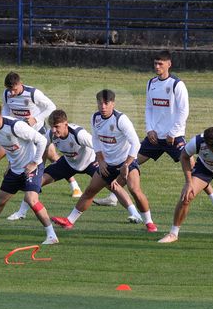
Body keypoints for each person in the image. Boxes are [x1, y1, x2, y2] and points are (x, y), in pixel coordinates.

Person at [7, 109, 142, 223]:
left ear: (66, 124)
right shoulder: (50, 134)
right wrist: (38, 167)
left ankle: (135, 214)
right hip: (68, 163)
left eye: (57, 127)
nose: (54, 130)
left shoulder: (79, 134)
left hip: (90, 162)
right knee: (37, 182)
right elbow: (42, 148)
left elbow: (98, 145)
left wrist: (102, 162)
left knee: (113, 186)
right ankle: (21, 212)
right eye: (52, 126)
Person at [51, 89, 157, 233]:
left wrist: (126, 164)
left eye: (106, 103)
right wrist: (100, 160)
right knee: (90, 191)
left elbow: (136, 143)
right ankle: (69, 221)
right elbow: (95, 139)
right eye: (100, 103)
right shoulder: (95, 118)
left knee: (135, 190)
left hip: (127, 162)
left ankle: (149, 223)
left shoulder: (121, 119)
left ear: (113, 103)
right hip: (108, 164)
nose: (103, 107)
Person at [138, 51, 213, 212]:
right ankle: (115, 195)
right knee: (131, 163)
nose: (157, 66)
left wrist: (173, 132)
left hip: (173, 138)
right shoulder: (151, 83)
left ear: (169, 64)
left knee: (193, 169)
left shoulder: (177, 84)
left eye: (160, 64)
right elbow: (148, 108)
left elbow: (183, 111)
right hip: (155, 138)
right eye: (155, 63)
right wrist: (150, 129)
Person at [0, 71, 84, 199]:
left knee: (53, 157)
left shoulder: (33, 93)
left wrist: (36, 118)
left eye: (14, 89)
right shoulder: (6, 94)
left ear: (20, 84)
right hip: (16, 132)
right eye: (9, 89)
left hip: (37, 132)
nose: (11, 92)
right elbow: (5, 110)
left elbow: (51, 107)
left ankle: (75, 187)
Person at [0, 101, 59, 246]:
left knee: (31, 199)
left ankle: (52, 235)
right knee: (0, 201)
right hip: (15, 169)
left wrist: (35, 162)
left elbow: (42, 140)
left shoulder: (16, 126)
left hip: (32, 167)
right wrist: (11, 164)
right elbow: (11, 147)